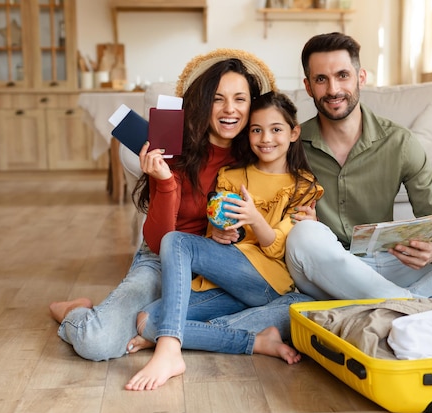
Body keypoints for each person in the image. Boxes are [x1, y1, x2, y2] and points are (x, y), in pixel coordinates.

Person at [48, 49, 287, 362]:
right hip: (161, 259)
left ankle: (157, 330)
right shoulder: (173, 145)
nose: (230, 109)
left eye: (240, 99)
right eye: (218, 98)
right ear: (203, 102)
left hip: (220, 266)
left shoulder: (259, 151)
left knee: (287, 305)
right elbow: (160, 240)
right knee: (97, 342)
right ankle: (75, 311)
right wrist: (165, 181)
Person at [286, 32, 432, 301]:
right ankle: (411, 305)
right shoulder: (289, 144)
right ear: (308, 87)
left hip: (387, 262)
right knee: (304, 235)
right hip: (326, 266)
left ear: (360, 78)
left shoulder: (399, 141)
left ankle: (390, 303)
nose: (333, 90)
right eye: (321, 79)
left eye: (342, 75)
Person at [125, 91, 324, 391]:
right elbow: (214, 231)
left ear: (294, 132)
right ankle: (257, 340)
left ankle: (168, 349)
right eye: (256, 129)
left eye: (276, 129)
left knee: (177, 243)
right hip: (229, 278)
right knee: (148, 320)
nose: (265, 138)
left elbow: (278, 247)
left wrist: (255, 217)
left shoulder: (303, 185)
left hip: (267, 281)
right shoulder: (232, 175)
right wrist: (218, 234)